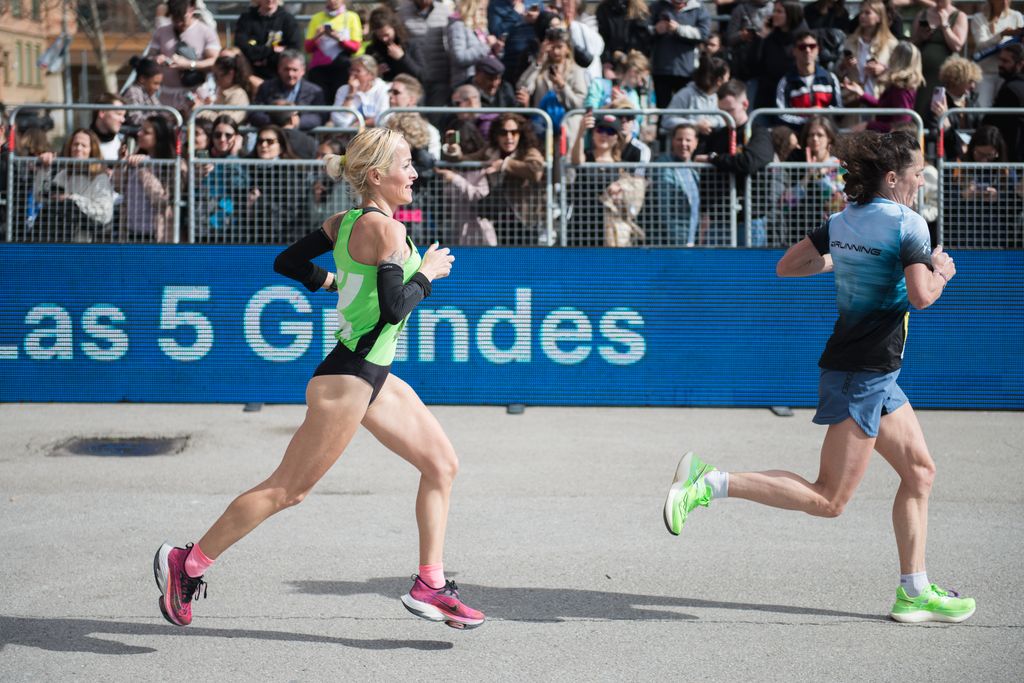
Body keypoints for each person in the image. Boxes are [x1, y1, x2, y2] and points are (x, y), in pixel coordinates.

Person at [153, 126, 486, 631]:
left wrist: (332, 281)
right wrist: (429, 272)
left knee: (441, 465)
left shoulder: (343, 221)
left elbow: (287, 262)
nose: (415, 173)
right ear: (377, 175)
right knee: (287, 491)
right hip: (348, 380)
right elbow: (394, 309)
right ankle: (187, 563)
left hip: (371, 376)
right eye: (406, 165)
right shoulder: (389, 232)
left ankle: (431, 585)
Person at [662, 128, 976, 625]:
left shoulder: (844, 219)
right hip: (862, 373)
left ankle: (914, 592)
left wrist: (845, 258)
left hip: (874, 372)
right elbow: (921, 297)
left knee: (920, 472)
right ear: (892, 177)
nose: (921, 181)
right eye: (917, 174)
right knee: (829, 499)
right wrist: (941, 271)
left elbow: (788, 266)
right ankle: (709, 482)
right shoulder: (910, 224)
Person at [33, 129, 115, 242]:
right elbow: (39, 197)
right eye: (75, 144)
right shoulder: (64, 174)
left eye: (84, 145)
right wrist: (45, 169)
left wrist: (72, 198)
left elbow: (105, 214)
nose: (78, 148)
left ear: (92, 150)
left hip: (84, 242)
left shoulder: (100, 178)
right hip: (58, 239)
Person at [115, 115, 181, 242]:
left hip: (155, 235)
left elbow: (160, 199)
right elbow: (118, 187)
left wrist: (143, 168)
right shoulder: (136, 160)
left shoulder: (172, 165)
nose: (139, 133)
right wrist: (121, 162)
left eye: (146, 132)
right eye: (141, 129)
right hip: (131, 232)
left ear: (159, 136)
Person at [148, 0, 221, 115]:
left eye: (182, 18)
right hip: (167, 98)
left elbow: (215, 61)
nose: (179, 23)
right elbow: (150, 57)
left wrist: (189, 64)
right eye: (175, 19)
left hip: (196, 96)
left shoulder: (206, 31)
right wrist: (157, 59)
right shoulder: (162, 31)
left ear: (191, 10)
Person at [244, 124, 309, 242]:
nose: (264, 145)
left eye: (270, 141)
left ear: (281, 147)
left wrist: (258, 201)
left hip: (284, 239)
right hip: (254, 237)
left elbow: (291, 212)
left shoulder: (290, 173)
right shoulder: (249, 169)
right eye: (260, 141)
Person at [842, 41, 924, 133]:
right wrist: (861, 94)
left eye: (893, 54)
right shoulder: (899, 85)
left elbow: (902, 125)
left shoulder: (901, 88)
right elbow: (885, 107)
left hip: (893, 140)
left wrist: (868, 125)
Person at [647, 0, 712, 108]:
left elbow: (704, 34)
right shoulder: (657, 6)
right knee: (663, 109)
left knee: (685, 109)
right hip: (661, 70)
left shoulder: (699, 8)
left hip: (687, 71)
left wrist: (679, 29)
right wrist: (656, 29)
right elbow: (643, 30)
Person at [194, 115, 249, 241]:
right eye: (217, 135)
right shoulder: (202, 156)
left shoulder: (244, 158)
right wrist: (198, 173)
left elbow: (238, 184)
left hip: (231, 227)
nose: (222, 139)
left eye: (228, 135)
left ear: (236, 137)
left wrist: (233, 156)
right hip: (204, 227)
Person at [775, 29, 843, 129]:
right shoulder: (786, 82)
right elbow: (781, 115)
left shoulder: (830, 78)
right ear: (794, 51)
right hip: (798, 132)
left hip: (825, 132)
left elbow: (839, 110)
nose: (807, 50)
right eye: (802, 47)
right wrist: (808, 120)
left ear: (818, 49)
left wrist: (821, 113)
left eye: (812, 46)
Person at [911, 0, 968, 118]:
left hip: (945, 77)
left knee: (939, 110)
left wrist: (945, 26)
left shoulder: (959, 16)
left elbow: (957, 46)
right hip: (922, 75)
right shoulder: (922, 14)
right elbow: (912, 44)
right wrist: (921, 37)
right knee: (920, 108)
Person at [250, 49, 328, 130]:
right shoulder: (266, 87)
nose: (290, 74)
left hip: (302, 133)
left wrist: (297, 122)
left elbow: (320, 116)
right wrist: (278, 121)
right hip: (272, 132)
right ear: (279, 69)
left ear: (303, 71)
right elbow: (255, 113)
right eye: (286, 69)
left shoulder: (315, 91)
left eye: (294, 70)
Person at [649, 123, 700, 245]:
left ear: (696, 143)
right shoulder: (664, 165)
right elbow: (663, 209)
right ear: (672, 141)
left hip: (690, 239)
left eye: (688, 140)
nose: (683, 144)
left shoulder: (694, 170)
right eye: (679, 139)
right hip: (671, 241)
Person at [837, 0, 898, 102]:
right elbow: (837, 71)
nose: (862, 16)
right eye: (861, 12)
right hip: (853, 101)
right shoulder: (850, 42)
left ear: (879, 17)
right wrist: (844, 65)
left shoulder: (891, 44)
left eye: (867, 13)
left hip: (878, 100)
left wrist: (883, 70)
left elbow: (899, 73)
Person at [969, 0, 1023, 109]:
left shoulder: (1016, 16)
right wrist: (1002, 34)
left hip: (1008, 74)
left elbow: (1020, 46)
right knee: (981, 109)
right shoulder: (979, 18)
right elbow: (981, 45)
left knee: (1006, 109)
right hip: (985, 73)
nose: (1004, 1)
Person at [397, 0, 453, 106]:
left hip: (440, 75)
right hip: (414, 76)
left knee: (437, 112)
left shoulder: (444, 11)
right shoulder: (402, 13)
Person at [660, 55, 730, 136]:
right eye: (727, 78)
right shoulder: (685, 94)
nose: (728, 82)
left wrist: (710, 123)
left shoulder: (717, 97)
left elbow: (723, 119)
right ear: (719, 81)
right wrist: (695, 124)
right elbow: (667, 121)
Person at [234, 0, 303, 81]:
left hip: (277, 73)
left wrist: (266, 60)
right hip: (250, 70)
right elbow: (241, 45)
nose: (270, 0)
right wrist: (272, 50)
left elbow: (294, 48)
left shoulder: (288, 20)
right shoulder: (246, 19)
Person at [982, 44, 1024, 162]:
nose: (1000, 65)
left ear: (1020, 64)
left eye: (1005, 61)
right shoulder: (1011, 85)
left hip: (1014, 155)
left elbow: (994, 120)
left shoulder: (1010, 89)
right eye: (1000, 60)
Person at [365, 5, 426, 83]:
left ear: (394, 28)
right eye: (379, 36)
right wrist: (375, 72)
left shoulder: (411, 45)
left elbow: (421, 76)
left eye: (386, 35)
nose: (384, 39)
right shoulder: (372, 49)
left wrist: (402, 58)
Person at [331, 55, 390, 128]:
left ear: (371, 74)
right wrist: (351, 94)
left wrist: (362, 124)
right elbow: (339, 121)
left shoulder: (382, 88)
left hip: (374, 132)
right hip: (348, 133)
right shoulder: (343, 90)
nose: (353, 74)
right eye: (351, 70)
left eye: (357, 71)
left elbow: (383, 118)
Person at [196, 52, 254, 124]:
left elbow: (225, 120)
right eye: (213, 76)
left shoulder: (238, 94)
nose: (215, 80)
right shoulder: (220, 91)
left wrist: (200, 110)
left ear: (230, 74)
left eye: (216, 76)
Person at [122, 57, 168, 128]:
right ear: (142, 79)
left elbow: (160, 111)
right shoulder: (133, 92)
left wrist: (170, 116)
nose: (158, 88)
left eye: (160, 84)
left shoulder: (149, 93)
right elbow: (135, 119)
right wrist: (157, 120)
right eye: (155, 83)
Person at [90, 93, 127, 161]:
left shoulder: (123, 143)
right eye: (119, 114)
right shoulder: (82, 143)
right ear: (102, 113)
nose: (123, 120)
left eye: (123, 115)